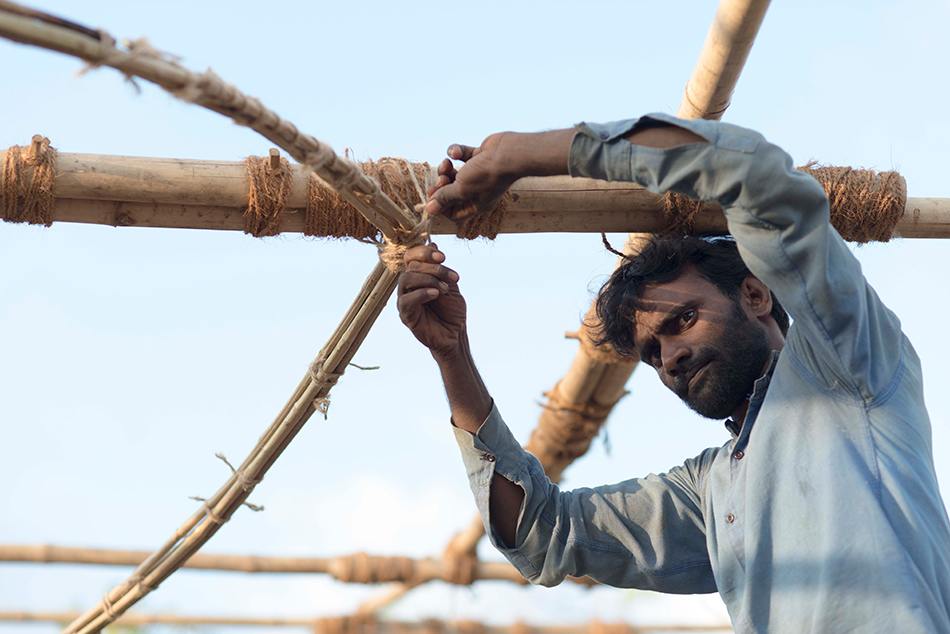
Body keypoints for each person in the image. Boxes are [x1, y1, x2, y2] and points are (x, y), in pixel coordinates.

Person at [396, 114, 950, 633]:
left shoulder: (847, 362)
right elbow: (541, 533)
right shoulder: (712, 490)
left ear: (755, 294)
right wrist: (453, 356)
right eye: (653, 353)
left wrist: (523, 154)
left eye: (682, 319)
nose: (672, 357)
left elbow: (754, 174)